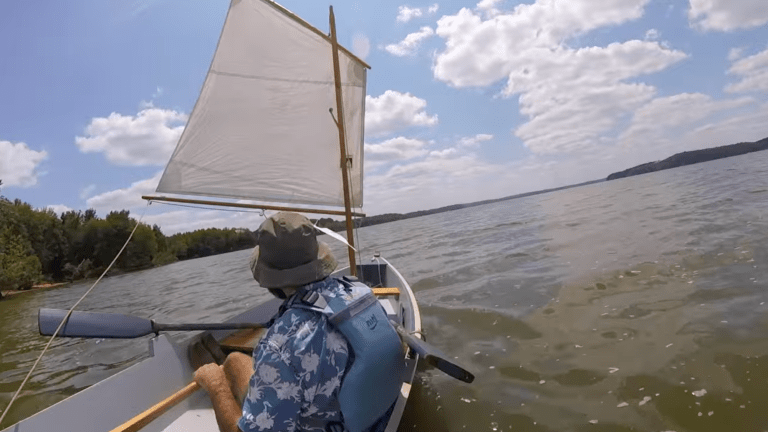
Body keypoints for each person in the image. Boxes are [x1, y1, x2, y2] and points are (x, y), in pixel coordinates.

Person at [193, 212, 402, 432]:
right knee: (235, 360)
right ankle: (238, 380)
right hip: (380, 419)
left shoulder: (280, 346)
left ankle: (222, 381)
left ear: (271, 280)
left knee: (220, 377)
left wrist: (216, 387)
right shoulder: (361, 292)